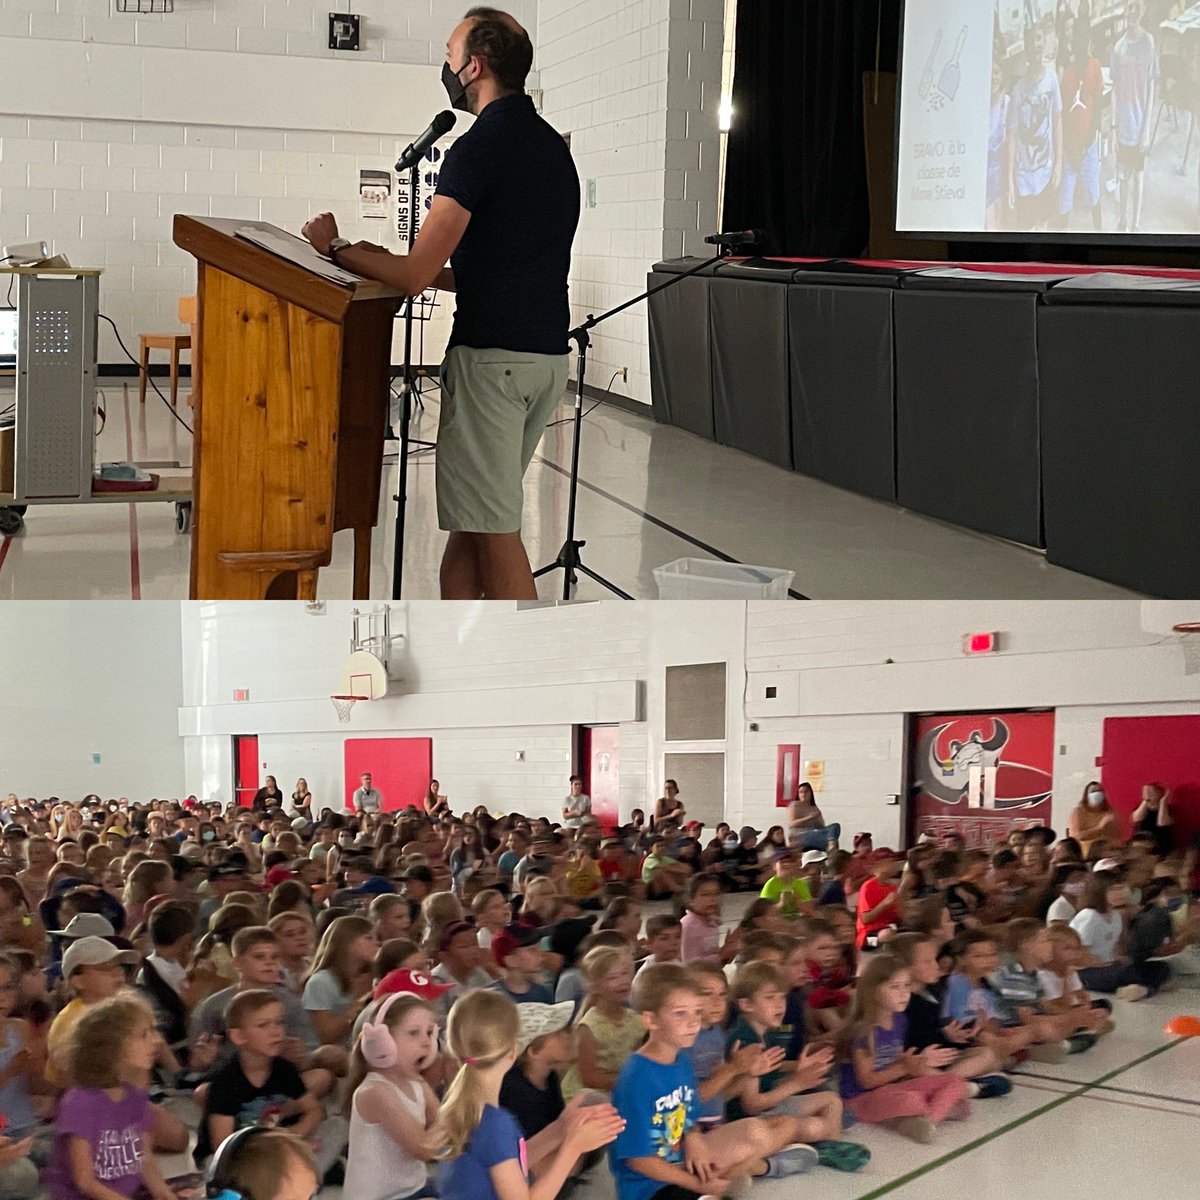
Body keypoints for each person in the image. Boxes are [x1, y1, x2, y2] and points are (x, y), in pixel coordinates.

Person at [303, 9, 580, 602]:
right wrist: (380, 259)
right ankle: (456, 654)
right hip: (545, 362)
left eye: (451, 52)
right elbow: (495, 268)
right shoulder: (553, 148)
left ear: (474, 66)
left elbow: (413, 274)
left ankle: (523, 671)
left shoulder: (477, 149)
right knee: (471, 524)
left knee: (496, 531)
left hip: (493, 365)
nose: (447, 65)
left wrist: (337, 246)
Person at [609, 963, 825, 1200]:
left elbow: (687, 1113)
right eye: (681, 1013)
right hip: (649, 1188)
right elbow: (637, 1159)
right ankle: (721, 1185)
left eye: (697, 1011)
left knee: (754, 1132)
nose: (693, 1022)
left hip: (683, 1160)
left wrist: (693, 1137)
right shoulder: (637, 1078)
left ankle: (719, 1185)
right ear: (651, 1020)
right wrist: (695, 1183)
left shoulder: (680, 1059)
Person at [434, 989, 623, 1200]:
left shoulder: (460, 1108)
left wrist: (561, 1127)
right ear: (513, 1050)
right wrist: (573, 1147)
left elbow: (508, 1160)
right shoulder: (496, 1123)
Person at [193, 990, 347, 1178]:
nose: (276, 1031)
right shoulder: (225, 1081)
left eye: (279, 1022)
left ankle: (295, 1173)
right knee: (223, 1168)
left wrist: (294, 1135)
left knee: (337, 1125)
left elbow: (315, 1111)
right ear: (239, 1036)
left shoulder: (284, 1069)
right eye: (263, 1025)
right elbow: (223, 1144)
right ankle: (300, 1174)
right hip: (239, 1154)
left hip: (280, 1143)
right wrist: (280, 1145)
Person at [46, 994, 176, 1200]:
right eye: (144, 1034)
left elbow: (143, 1158)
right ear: (112, 1048)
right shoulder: (80, 1102)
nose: (157, 1040)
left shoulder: (135, 1095)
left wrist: (164, 1193)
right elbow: (84, 1181)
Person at [837, 954, 971, 1143]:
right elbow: (867, 1081)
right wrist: (905, 1067)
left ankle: (927, 1121)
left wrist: (918, 1061)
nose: (904, 993)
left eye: (907, 986)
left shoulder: (900, 1019)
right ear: (873, 991)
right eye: (894, 987)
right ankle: (930, 1115)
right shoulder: (864, 1029)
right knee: (912, 1100)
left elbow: (894, 1058)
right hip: (860, 1100)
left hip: (890, 1089)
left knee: (955, 1081)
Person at [343, 992, 440, 1200]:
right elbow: (424, 1148)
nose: (426, 1042)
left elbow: (442, 1124)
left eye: (430, 1032)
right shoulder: (375, 1091)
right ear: (381, 1042)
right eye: (414, 1033)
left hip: (414, 1189)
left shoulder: (416, 1082)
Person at [560, 946, 645, 1100]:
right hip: (591, 1095)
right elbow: (590, 1078)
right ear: (594, 986)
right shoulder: (589, 1026)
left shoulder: (636, 1020)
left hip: (624, 1088)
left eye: (625, 974)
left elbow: (639, 1060)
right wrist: (631, 1082)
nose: (623, 982)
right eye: (612, 978)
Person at [1070, 870, 1170, 999]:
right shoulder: (1089, 917)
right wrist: (1101, 964)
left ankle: (1142, 988)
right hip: (1086, 970)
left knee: (1161, 967)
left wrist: (1120, 958)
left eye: (1121, 888)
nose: (1120, 893)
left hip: (1110, 965)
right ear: (1099, 892)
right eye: (1113, 889)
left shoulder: (1116, 915)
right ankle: (1146, 988)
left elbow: (1115, 945)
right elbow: (1078, 951)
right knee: (1124, 973)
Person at [1007, 21, 1063, 232]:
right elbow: (1012, 135)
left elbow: (1057, 121)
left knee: (1044, 226)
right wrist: (1010, 181)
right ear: (1026, 47)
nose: (1036, 45)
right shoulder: (1019, 90)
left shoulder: (1052, 80)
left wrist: (1058, 164)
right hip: (1023, 176)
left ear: (1044, 42)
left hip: (1046, 171)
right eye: (1031, 41)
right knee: (1026, 230)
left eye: (1039, 39)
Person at [498, 1001, 576, 1140]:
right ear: (533, 1051)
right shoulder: (514, 1094)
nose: (567, 1035)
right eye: (558, 1033)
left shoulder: (550, 1077)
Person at [1111, 0, 1157, 234]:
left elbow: (1150, 87)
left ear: (1143, 10)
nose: (1133, 11)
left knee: (1138, 176)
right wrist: (1113, 127)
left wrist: (1146, 127)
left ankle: (1136, 225)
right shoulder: (1118, 47)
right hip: (1123, 126)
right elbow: (1115, 90)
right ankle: (1122, 220)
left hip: (1140, 125)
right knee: (1123, 176)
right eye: (1129, 6)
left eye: (1137, 6)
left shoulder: (1149, 43)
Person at [1056, 11, 1104, 231]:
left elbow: (1098, 109)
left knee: (1093, 192)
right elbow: (1063, 116)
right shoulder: (1066, 75)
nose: (1080, 44)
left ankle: (1100, 233)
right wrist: (1071, 149)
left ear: (1089, 42)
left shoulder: (1095, 66)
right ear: (1072, 44)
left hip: (1089, 145)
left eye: (1084, 40)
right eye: (1076, 40)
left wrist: (1087, 145)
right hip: (1070, 149)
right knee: (1065, 197)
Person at [488, 924, 553, 1005]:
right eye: (532, 950)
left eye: (539, 948)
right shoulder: (491, 998)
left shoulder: (543, 994)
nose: (541, 954)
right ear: (510, 960)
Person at [1067, 781, 1118, 859]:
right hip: (1084, 854)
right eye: (1093, 791)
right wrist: (1099, 827)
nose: (1097, 794)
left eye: (1099, 791)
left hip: (1106, 853)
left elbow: (1115, 836)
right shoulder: (1078, 812)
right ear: (1086, 796)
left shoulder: (1109, 813)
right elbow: (1075, 837)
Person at [787, 783, 840, 852]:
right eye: (801, 792)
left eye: (806, 791)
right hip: (800, 835)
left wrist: (817, 818)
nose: (803, 794)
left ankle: (831, 845)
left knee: (835, 826)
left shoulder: (814, 807)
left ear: (810, 793)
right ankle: (831, 847)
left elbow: (822, 826)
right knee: (824, 839)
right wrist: (809, 818)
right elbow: (792, 824)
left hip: (814, 833)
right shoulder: (794, 805)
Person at [1131, 782, 1174, 857]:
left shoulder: (1168, 810)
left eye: (1151, 792)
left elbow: (1162, 823)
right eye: (1144, 792)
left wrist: (1162, 802)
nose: (1147, 795)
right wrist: (1146, 801)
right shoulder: (1141, 808)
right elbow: (1136, 818)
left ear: (1159, 793)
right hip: (1141, 847)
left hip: (1160, 848)